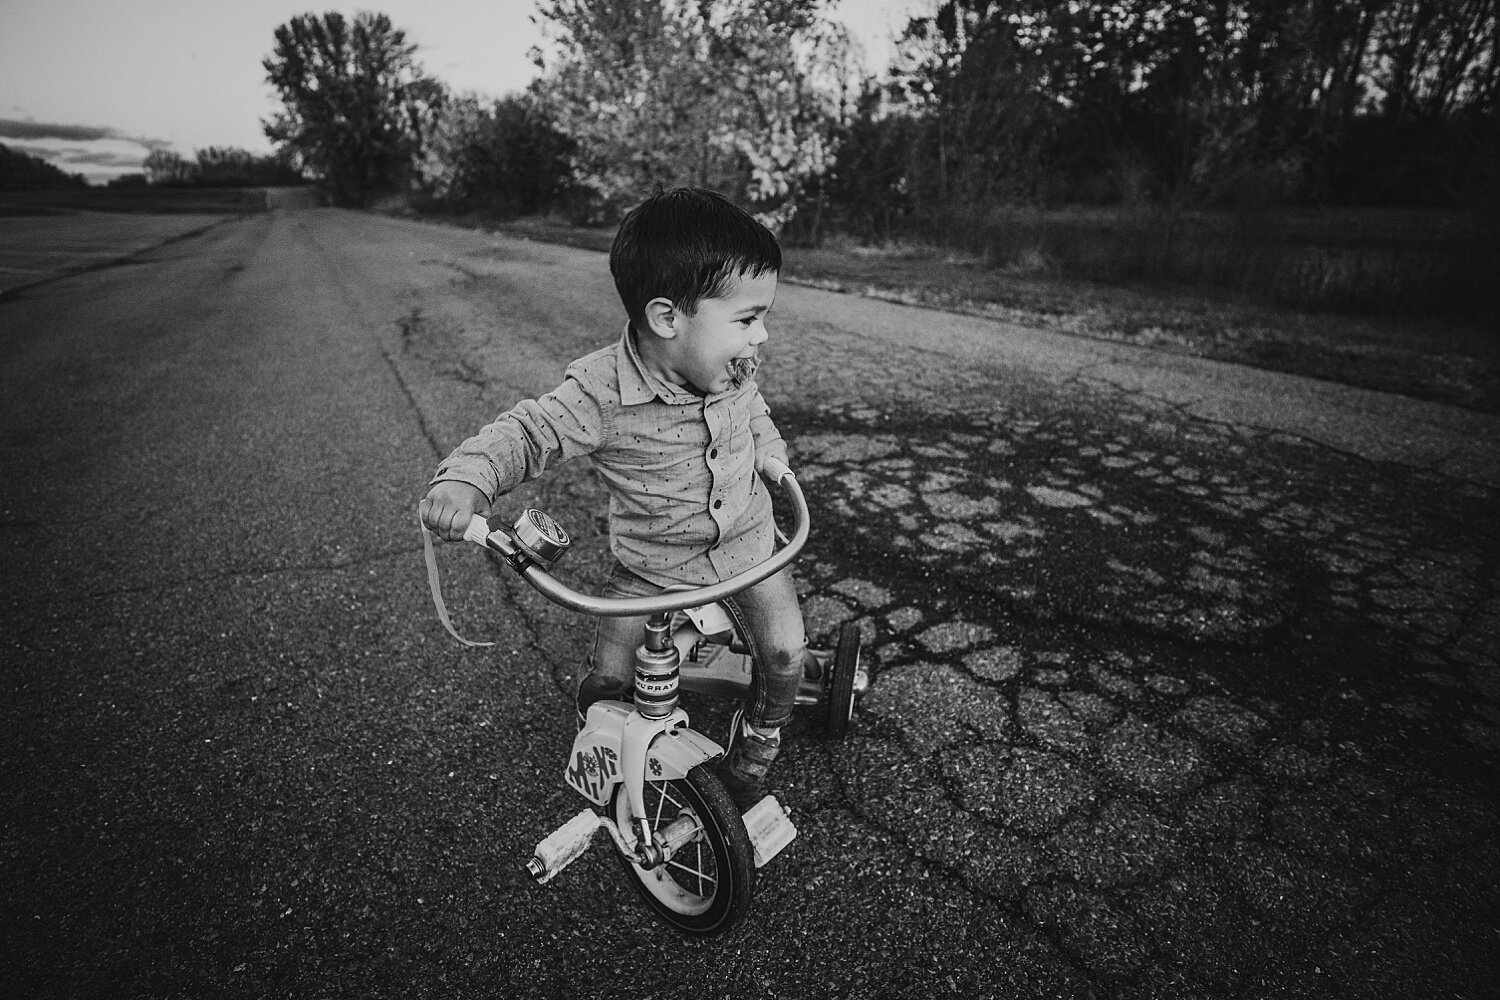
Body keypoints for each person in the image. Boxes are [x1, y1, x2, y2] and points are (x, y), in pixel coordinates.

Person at [418, 187, 806, 811]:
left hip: (750, 547)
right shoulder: (599, 393)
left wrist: (770, 449)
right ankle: (603, 744)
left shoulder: (728, 367)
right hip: (650, 568)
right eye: (746, 318)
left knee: (787, 654)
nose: (761, 337)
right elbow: (527, 432)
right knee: (608, 678)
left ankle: (759, 737)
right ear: (667, 318)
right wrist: (467, 477)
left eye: (762, 318)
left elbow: (752, 410)